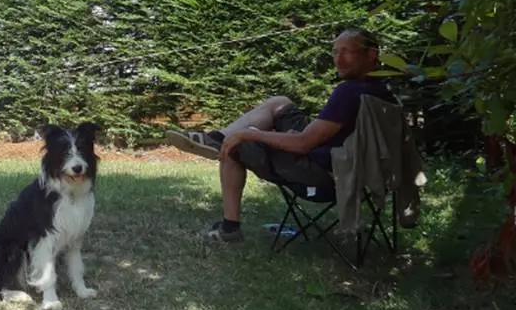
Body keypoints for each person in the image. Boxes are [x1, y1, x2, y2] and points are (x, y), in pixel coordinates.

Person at [165, 28, 397, 242]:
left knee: (234, 145)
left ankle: (230, 227)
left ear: (371, 54)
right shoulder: (385, 90)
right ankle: (214, 139)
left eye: (346, 51)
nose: (338, 59)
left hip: (324, 176)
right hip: (357, 171)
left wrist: (250, 134)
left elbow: (303, 144)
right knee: (280, 104)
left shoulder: (349, 91)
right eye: (335, 52)